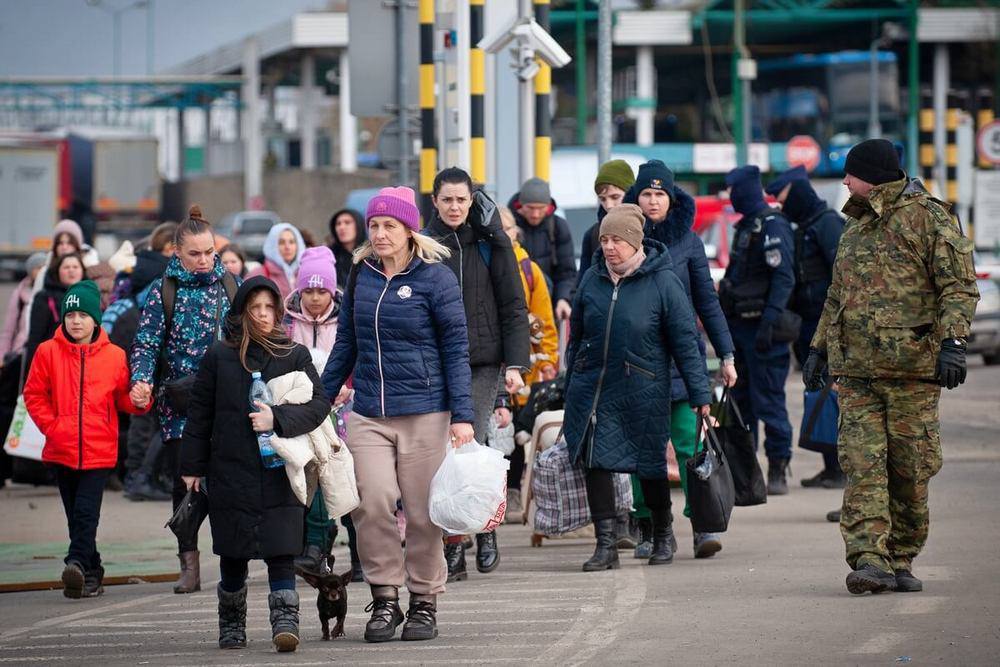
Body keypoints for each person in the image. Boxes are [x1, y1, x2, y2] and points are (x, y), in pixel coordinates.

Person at [804, 139, 978, 595]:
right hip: (858, 374)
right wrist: (819, 349)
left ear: (872, 175)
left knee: (910, 472)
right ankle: (869, 559)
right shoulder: (855, 227)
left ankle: (901, 556)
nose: (845, 181)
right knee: (862, 467)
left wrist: (953, 343)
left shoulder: (929, 218)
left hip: (911, 373)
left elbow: (958, 287)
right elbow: (837, 296)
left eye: (850, 173)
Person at [322, 185, 475, 643]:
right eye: (374, 225)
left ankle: (424, 600)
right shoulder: (362, 274)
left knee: (424, 513)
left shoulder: (435, 278)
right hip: (369, 412)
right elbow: (346, 342)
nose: (380, 233)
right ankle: (385, 597)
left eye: (389, 225)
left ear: (409, 230)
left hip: (426, 412)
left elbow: (456, 348)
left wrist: (463, 415)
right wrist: (319, 399)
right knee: (371, 502)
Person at [180, 276, 329, 651]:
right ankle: (231, 622)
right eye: (254, 308)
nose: (262, 315)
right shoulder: (220, 355)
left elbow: (318, 405)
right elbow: (199, 413)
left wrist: (277, 418)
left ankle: (285, 622)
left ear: (278, 312)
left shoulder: (293, 354)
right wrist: (192, 466)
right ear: (242, 312)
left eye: (268, 308)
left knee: (282, 550)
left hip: (280, 470)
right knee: (233, 553)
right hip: (230, 469)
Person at [565, 204, 712, 571]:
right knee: (594, 462)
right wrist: (572, 378)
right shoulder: (592, 279)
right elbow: (577, 336)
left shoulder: (663, 282)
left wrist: (700, 395)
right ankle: (605, 545)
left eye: (617, 239)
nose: (609, 247)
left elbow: (686, 343)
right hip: (594, 388)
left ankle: (662, 533)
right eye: (604, 239)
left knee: (649, 466)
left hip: (644, 389)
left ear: (635, 241)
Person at [625, 160, 737, 558]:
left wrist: (726, 354)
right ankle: (652, 528)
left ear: (671, 199)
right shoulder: (621, 240)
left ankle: (702, 524)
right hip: (636, 362)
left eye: (660, 194)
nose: (653, 201)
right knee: (643, 452)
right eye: (646, 193)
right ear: (636, 198)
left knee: (689, 444)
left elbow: (707, 302)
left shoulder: (688, 243)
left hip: (682, 360)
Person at [424, 168, 530, 581]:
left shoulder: (490, 241)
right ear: (435, 201)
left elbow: (513, 304)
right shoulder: (423, 245)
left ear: (472, 201)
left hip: (481, 361)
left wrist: (516, 364)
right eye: (447, 200)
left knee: (472, 442)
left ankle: (485, 529)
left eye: (461, 200)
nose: (454, 207)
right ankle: (454, 545)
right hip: (434, 361)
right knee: (440, 452)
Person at [130, 205, 239, 594]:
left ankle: (232, 563)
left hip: (227, 401)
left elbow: (252, 335)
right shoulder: (164, 290)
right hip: (180, 404)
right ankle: (188, 563)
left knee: (228, 485)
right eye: (195, 253)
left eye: (210, 252)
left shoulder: (231, 285)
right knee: (185, 485)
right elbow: (146, 342)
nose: (204, 260)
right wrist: (141, 380)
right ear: (176, 251)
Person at [23, 280, 150, 598]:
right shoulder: (47, 352)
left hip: (99, 450)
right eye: (70, 315)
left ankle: (76, 562)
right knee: (75, 518)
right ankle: (93, 573)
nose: (76, 321)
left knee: (85, 513)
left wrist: (139, 400)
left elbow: (123, 399)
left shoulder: (115, 356)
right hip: (61, 448)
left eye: (83, 315)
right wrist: (53, 427)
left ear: (96, 319)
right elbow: (34, 394)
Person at [281, 245, 361, 582]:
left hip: (345, 407)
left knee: (349, 477)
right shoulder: (288, 324)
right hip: (306, 411)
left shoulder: (347, 318)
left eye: (322, 291)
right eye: (308, 291)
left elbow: (357, 355)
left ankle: (360, 552)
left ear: (332, 290)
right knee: (313, 473)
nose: (315, 298)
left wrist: (348, 386)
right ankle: (314, 544)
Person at [766, 165, 847, 489]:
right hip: (809, 328)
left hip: (827, 328)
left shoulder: (828, 224)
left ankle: (840, 469)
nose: (782, 206)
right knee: (818, 397)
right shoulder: (804, 227)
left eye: (784, 199)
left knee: (831, 397)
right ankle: (830, 466)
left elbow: (842, 277)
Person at [718, 165, 796, 495]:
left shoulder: (772, 225)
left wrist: (769, 321)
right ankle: (747, 473)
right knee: (741, 404)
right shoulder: (747, 226)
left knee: (769, 401)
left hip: (764, 330)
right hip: (740, 328)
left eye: (733, 191)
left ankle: (778, 467)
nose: (731, 197)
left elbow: (784, 278)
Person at [499, 206, 558, 522]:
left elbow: (544, 319)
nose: (503, 234)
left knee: (517, 430)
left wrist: (548, 360)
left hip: (525, 365)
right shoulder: (481, 263)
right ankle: (495, 493)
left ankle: (513, 491)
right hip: (489, 363)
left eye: (507, 228)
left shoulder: (528, 268)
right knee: (494, 432)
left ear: (516, 232)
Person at [0, 252, 49, 486]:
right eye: (36, 267)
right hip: (18, 356)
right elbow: (9, 329)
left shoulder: (47, 294)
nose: (40, 271)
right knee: (12, 410)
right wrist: (3, 356)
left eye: (43, 266)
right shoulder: (20, 293)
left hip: (37, 357)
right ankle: (7, 465)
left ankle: (30, 468)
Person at [509, 177, 576, 321]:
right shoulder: (509, 226)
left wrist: (563, 298)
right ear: (520, 205)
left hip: (550, 306)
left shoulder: (558, 227)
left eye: (540, 208)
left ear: (549, 206)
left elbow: (567, 272)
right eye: (530, 208)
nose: (535, 214)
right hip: (516, 306)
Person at [25, 253, 85, 371]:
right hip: (52, 362)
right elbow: (35, 337)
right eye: (66, 267)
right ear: (57, 271)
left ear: (82, 271)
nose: (71, 270)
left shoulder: (91, 297)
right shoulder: (44, 297)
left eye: (75, 267)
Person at [578, 159, 636, 280]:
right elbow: (582, 284)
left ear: (630, 193)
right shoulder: (593, 234)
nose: (608, 205)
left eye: (615, 197)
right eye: (603, 199)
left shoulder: (650, 228)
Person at [248, 223, 305, 299]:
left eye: (292, 242)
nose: (287, 247)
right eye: (281, 242)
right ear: (272, 246)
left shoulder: (305, 274)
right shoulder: (257, 275)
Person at [328, 208, 366, 288]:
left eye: (347, 222)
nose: (341, 227)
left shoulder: (372, 255)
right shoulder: (329, 256)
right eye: (338, 224)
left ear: (359, 225)